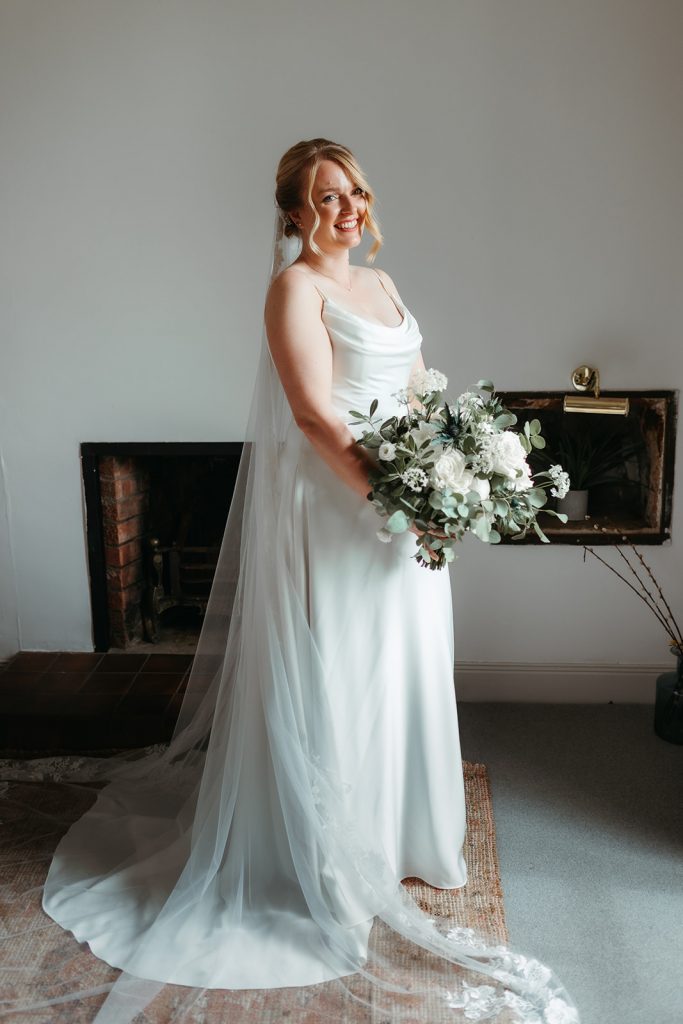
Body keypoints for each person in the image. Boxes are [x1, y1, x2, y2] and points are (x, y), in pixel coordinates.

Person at [13, 139, 579, 1023]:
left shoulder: (384, 286)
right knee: (347, 674)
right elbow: (316, 417)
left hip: (407, 512)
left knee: (406, 667)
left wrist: (453, 463)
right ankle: (329, 859)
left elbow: (419, 390)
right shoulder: (294, 289)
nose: (346, 208)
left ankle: (405, 838)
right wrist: (404, 502)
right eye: (324, 198)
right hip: (344, 511)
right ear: (292, 213)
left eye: (352, 191)